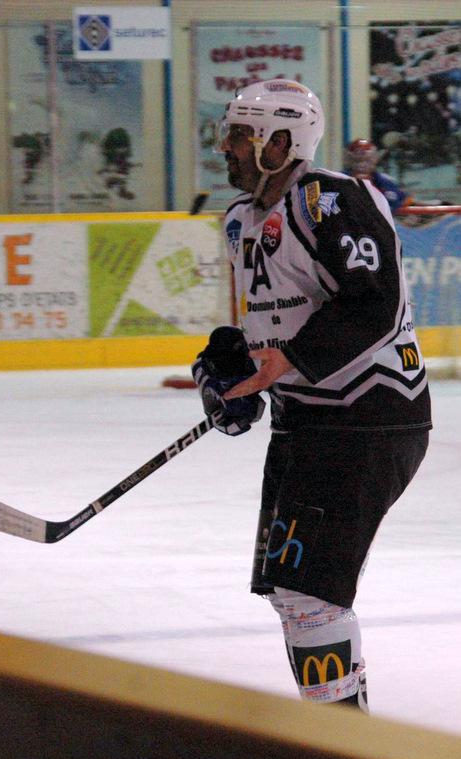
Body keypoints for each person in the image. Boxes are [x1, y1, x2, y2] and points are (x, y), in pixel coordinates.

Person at [191, 80, 431, 712]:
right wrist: (230, 368)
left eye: (240, 135)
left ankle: (340, 747)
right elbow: (268, 323)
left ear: (282, 141)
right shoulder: (240, 220)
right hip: (307, 422)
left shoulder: (332, 200)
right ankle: (342, 736)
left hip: (370, 416)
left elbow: (375, 303)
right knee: (293, 594)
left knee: (310, 596)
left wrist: (292, 360)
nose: (226, 147)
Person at [343, 138, 416, 213]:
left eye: (367, 160)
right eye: (357, 161)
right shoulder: (338, 180)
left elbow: (404, 199)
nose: (362, 165)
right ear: (349, 160)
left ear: (374, 159)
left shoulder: (384, 182)